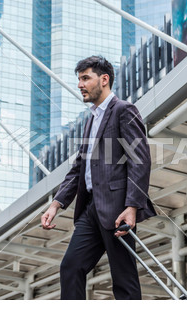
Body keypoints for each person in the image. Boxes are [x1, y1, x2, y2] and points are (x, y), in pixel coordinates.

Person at [41, 55, 156, 300]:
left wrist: (132, 206)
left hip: (117, 209)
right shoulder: (91, 119)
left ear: (104, 80)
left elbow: (140, 159)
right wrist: (56, 204)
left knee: (124, 279)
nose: (80, 85)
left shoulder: (123, 110)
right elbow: (79, 167)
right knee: (70, 267)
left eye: (85, 78)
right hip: (91, 209)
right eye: (79, 79)